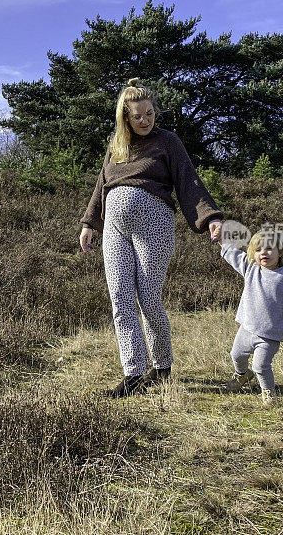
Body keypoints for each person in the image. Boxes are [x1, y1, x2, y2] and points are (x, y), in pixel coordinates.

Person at [80, 78, 223, 398]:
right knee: (120, 297)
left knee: (147, 297)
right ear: (125, 117)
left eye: (150, 114)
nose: (145, 120)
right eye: (137, 116)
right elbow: (101, 186)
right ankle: (133, 373)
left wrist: (211, 217)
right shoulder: (116, 145)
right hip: (115, 229)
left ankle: (161, 368)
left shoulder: (167, 142)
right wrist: (90, 223)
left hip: (153, 225)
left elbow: (189, 181)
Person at [220, 230, 283, 406]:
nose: (264, 253)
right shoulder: (250, 268)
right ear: (253, 253)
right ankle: (242, 375)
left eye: (269, 248)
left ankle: (269, 392)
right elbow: (231, 253)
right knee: (237, 356)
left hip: (270, 334)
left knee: (260, 366)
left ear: (280, 252)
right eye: (258, 249)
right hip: (247, 328)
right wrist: (221, 238)